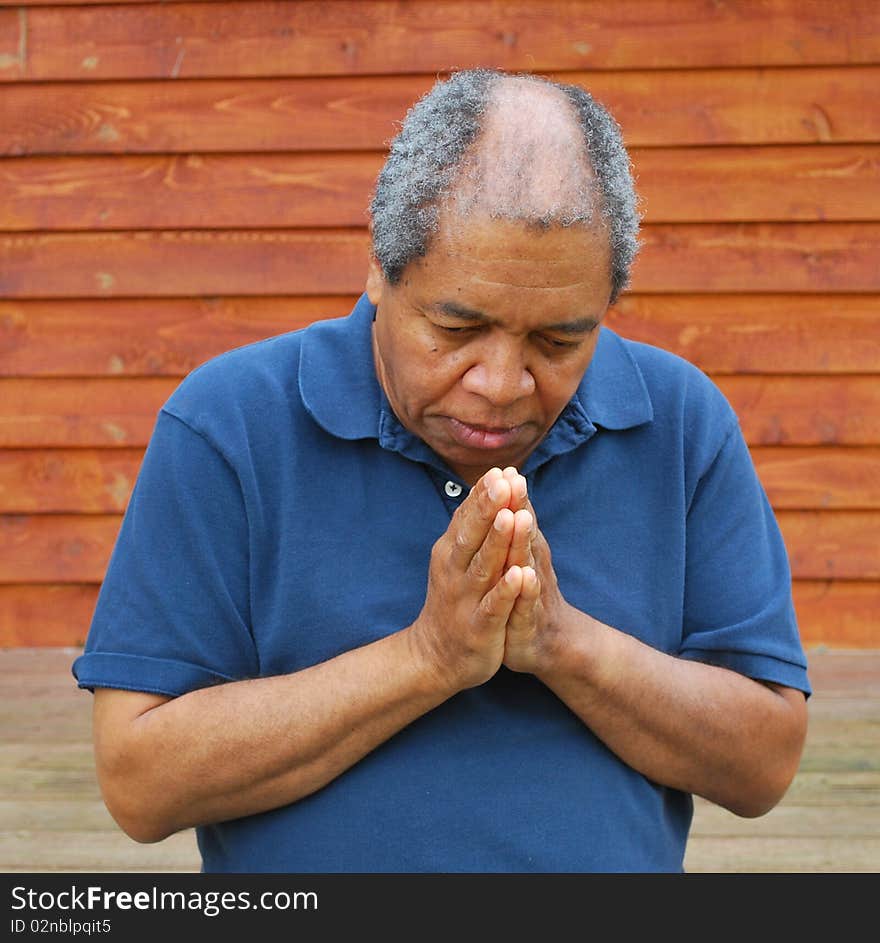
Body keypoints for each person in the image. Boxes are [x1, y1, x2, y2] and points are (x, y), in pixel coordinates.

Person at [73, 68, 810, 873]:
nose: (502, 385)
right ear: (379, 271)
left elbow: (763, 762)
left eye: (559, 342)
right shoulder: (229, 423)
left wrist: (560, 641)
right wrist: (426, 658)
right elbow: (140, 782)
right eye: (457, 327)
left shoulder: (680, 422)